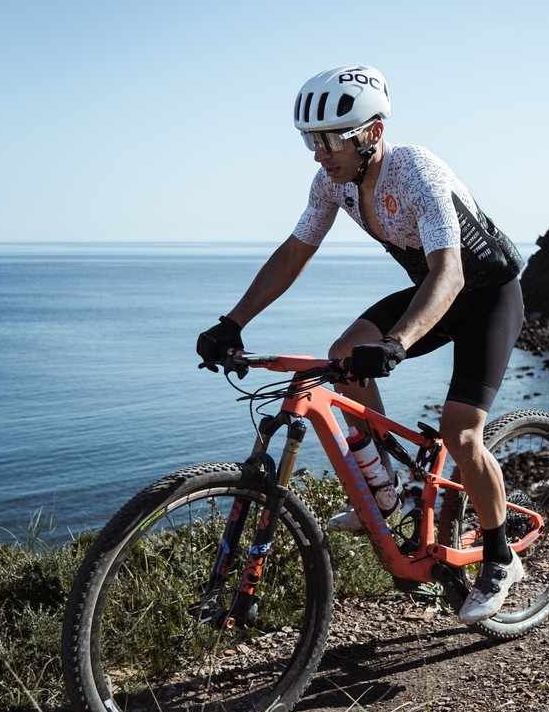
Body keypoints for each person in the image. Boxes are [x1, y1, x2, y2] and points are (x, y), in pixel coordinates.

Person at [195, 65, 528, 623]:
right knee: (343, 360)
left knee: (462, 432)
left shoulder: (417, 171)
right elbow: (295, 252)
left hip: (486, 295)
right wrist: (233, 322)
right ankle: (385, 490)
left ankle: (499, 561)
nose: (319, 153)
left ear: (372, 133)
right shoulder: (332, 182)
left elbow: (449, 272)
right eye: (310, 140)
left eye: (329, 139)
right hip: (433, 291)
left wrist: (398, 341)